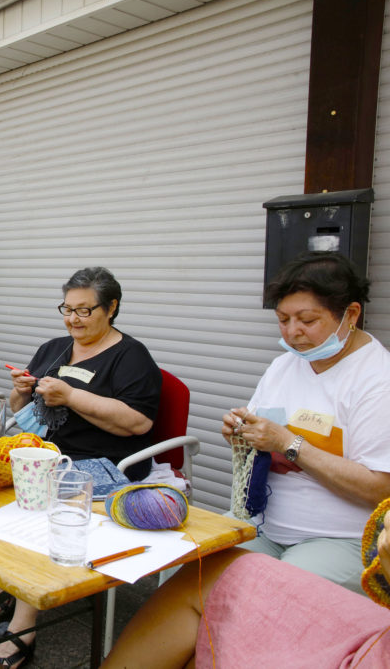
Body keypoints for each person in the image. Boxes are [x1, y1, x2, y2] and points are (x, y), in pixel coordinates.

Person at [0, 267, 162, 668]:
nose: (73, 319)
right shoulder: (54, 347)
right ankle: (2, 586)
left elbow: (138, 422)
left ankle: (23, 630)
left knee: (37, 502)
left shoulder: (131, 357)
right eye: (67, 308)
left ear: (112, 307)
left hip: (104, 462)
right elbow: (24, 412)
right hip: (48, 451)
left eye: (85, 311)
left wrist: (71, 396)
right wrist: (20, 393)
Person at [220, 251, 390, 593]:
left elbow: (380, 487)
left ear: (351, 313)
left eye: (307, 320)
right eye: (283, 319)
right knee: (194, 567)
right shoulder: (284, 366)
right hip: (265, 524)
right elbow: (263, 434)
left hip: (341, 539)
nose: (293, 332)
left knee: (270, 594)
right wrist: (241, 431)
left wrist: (289, 444)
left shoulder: (378, 379)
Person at [101, 515, 390, 667]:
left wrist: (291, 447)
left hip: (335, 540)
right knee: (212, 567)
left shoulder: (372, 403)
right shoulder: (278, 397)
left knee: (227, 622)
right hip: (268, 525)